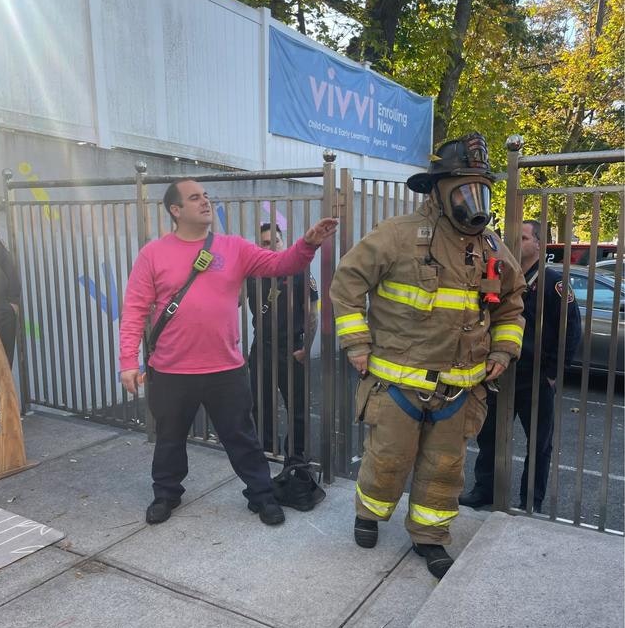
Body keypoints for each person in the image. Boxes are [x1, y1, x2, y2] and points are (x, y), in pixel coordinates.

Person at [329, 132, 525, 579]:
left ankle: (429, 537)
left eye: (481, 189)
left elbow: (513, 303)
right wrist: (356, 342)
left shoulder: (492, 248)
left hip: (461, 386)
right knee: (387, 459)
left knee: (445, 470)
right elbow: (347, 284)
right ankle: (368, 515)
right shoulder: (396, 236)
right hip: (398, 383)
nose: (474, 201)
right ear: (438, 191)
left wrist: (504, 347)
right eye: (464, 189)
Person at [119, 179, 337, 526]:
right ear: (175, 210)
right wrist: (127, 361)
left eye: (205, 196)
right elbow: (134, 310)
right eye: (194, 198)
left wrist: (308, 244)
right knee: (169, 440)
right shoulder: (153, 254)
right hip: (171, 371)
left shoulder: (233, 248)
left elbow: (281, 264)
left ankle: (262, 496)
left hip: (226, 370)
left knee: (243, 439)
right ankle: (166, 493)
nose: (205, 202)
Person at [460, 219, 582, 513]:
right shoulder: (499, 277)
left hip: (535, 379)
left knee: (538, 445)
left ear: (539, 244)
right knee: (490, 437)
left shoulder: (554, 283)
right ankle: (484, 491)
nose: (517, 241)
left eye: (524, 237)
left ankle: (531, 502)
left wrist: (552, 373)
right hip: (499, 374)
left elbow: (571, 331)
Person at [246, 223, 318, 463]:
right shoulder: (254, 272)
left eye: (274, 241)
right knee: (260, 404)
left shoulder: (300, 271)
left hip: (290, 348)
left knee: (297, 407)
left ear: (283, 241)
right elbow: (234, 300)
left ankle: (296, 456)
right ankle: (267, 449)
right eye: (264, 243)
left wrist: (306, 348)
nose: (270, 246)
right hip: (262, 347)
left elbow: (312, 313)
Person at [0, 231, 21, 431]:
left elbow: (7, 265)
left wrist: (12, 301)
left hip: (0, 311)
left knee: (3, 367)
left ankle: (4, 420)